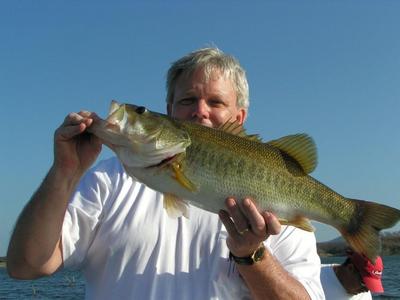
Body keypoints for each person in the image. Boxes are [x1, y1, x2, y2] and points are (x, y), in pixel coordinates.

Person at [7, 48, 324, 299]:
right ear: (170, 110)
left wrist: (252, 255)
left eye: (215, 101)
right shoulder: (109, 179)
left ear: (239, 117)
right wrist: (64, 173)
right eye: (188, 99)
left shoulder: (278, 197)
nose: (200, 110)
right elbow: (26, 265)